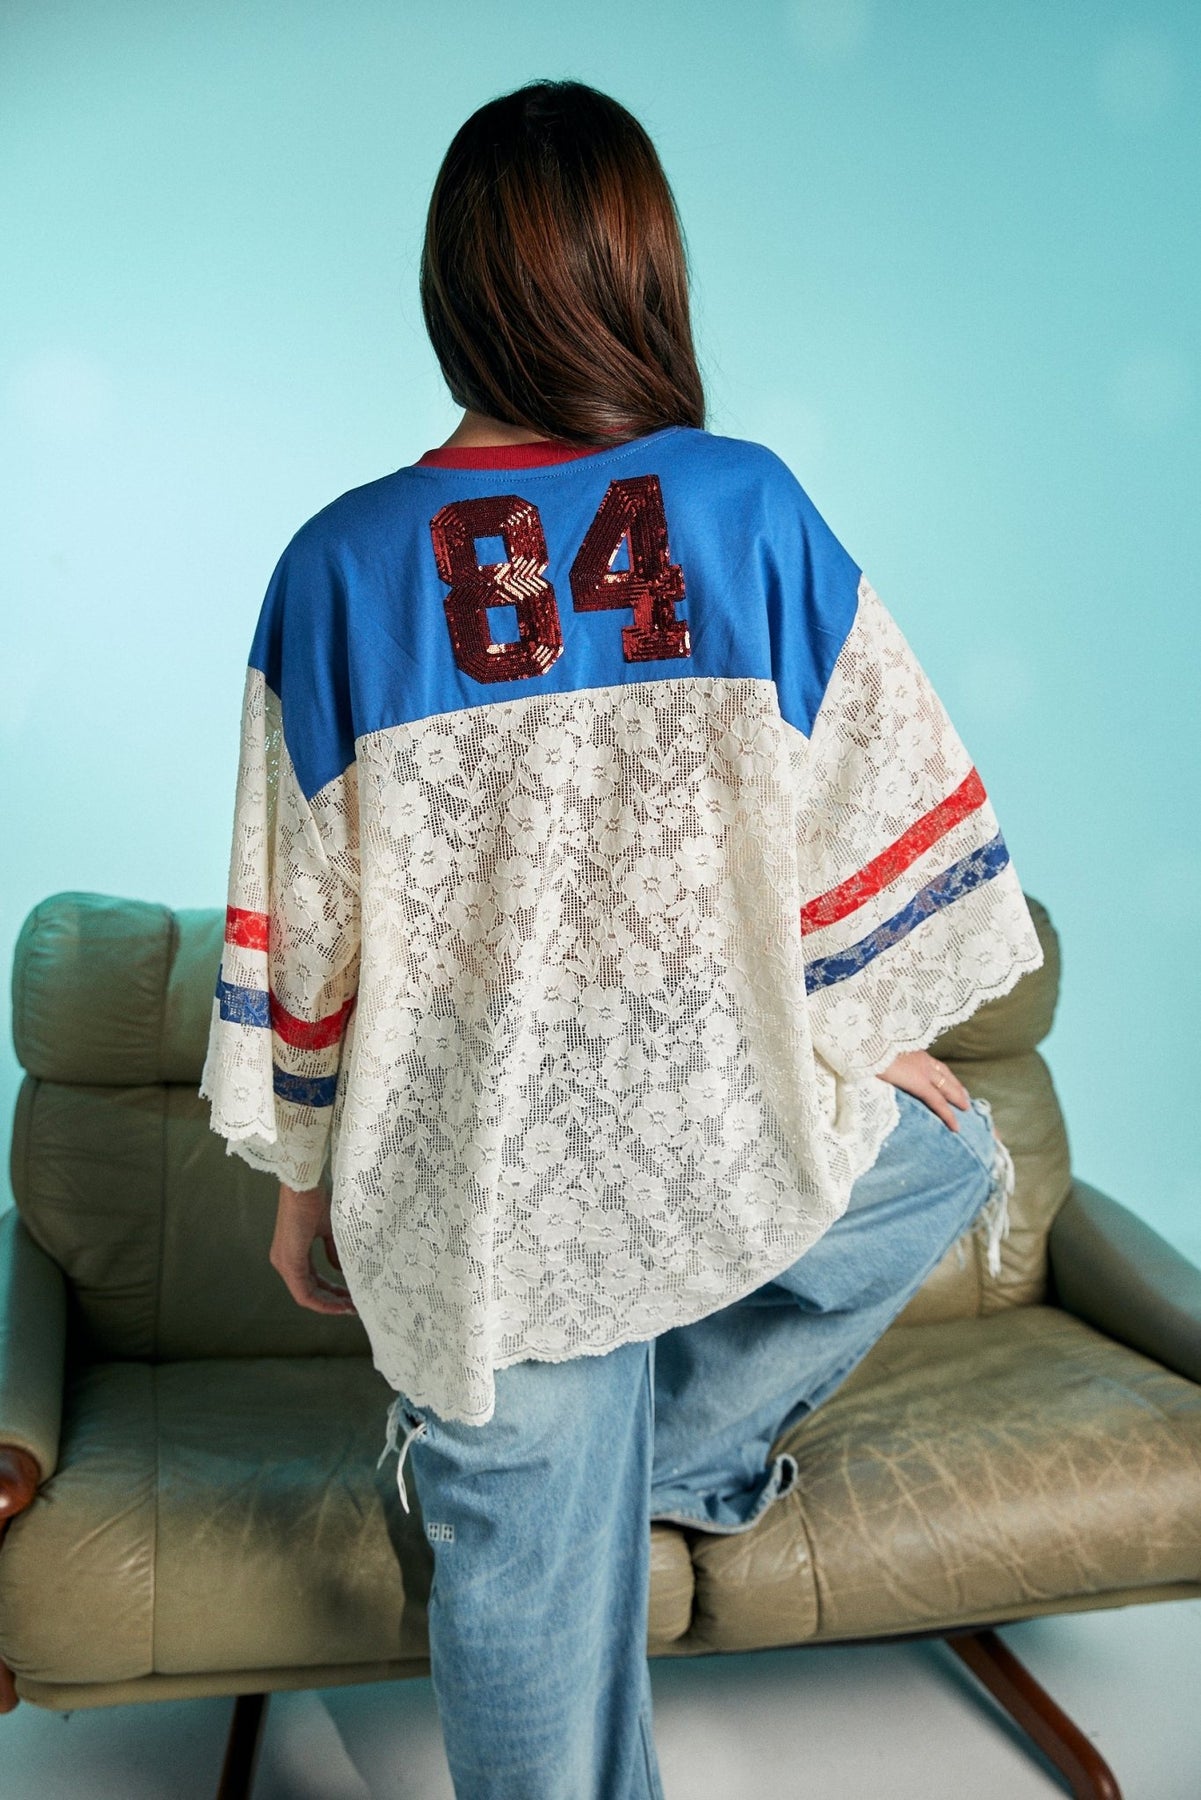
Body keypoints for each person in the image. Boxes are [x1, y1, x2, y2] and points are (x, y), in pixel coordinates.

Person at [199, 77, 1043, 1800]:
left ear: (451, 287)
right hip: (694, 1141)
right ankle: (613, 1466)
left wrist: (303, 1181)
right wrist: (857, 1025)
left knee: (933, 1160)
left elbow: (309, 938)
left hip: (470, 1189)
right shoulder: (749, 510)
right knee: (940, 1151)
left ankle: (568, 1471)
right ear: (643, 271)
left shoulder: (334, 567)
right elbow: (869, 811)